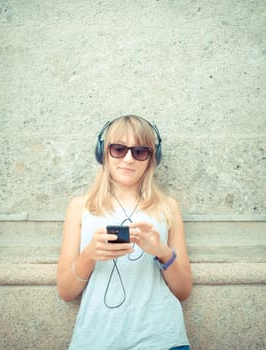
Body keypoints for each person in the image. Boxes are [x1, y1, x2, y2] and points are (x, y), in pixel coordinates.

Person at [57, 115, 192, 350]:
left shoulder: (168, 206)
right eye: (118, 149)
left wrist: (162, 252)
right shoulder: (80, 206)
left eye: (140, 151)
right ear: (103, 152)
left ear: (152, 158)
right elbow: (66, 291)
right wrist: (89, 255)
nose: (128, 159)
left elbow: (183, 291)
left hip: (161, 339)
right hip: (96, 340)